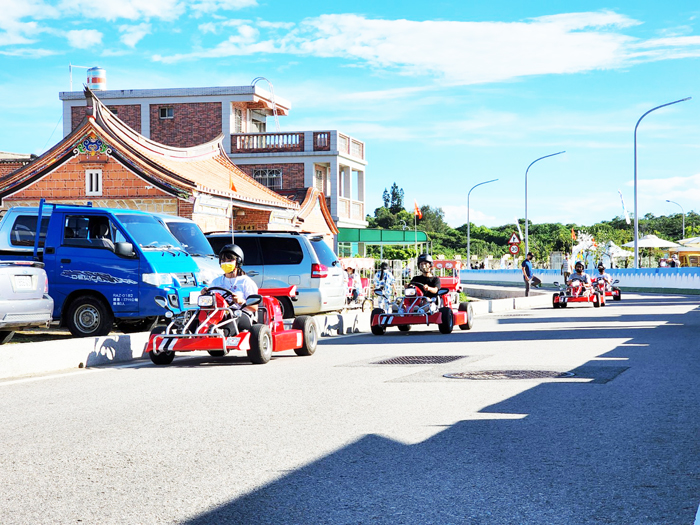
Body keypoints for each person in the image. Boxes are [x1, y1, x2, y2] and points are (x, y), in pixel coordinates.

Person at [204, 244, 258, 332]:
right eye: (223, 260)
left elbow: (254, 307)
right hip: (219, 313)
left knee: (234, 317)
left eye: (229, 260)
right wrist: (205, 294)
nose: (226, 263)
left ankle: (222, 333)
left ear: (238, 262)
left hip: (241, 314)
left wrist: (241, 301)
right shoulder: (216, 282)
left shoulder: (245, 281)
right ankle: (187, 332)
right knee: (199, 314)